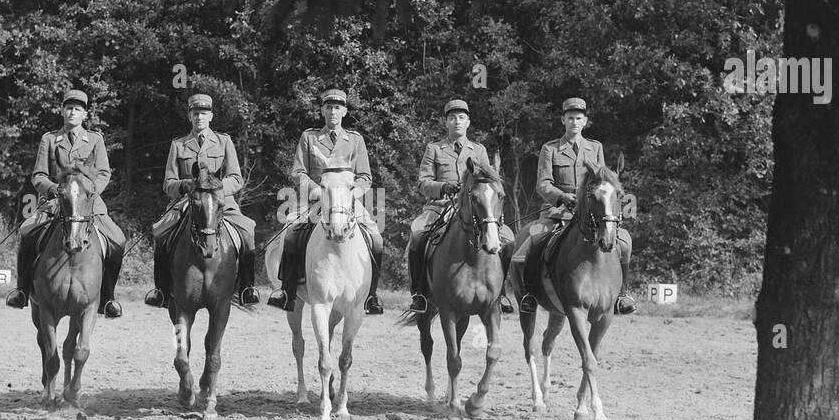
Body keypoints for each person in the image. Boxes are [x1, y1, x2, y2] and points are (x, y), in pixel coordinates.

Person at [509, 97, 636, 315]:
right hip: (559, 211)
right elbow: (543, 184)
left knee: (623, 242)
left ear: (585, 121)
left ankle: (622, 294)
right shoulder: (550, 149)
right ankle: (530, 293)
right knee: (536, 240)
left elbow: (602, 179)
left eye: (578, 118)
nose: (574, 122)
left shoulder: (595, 147)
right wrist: (562, 197)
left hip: (591, 212)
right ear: (563, 120)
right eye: (570, 118)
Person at [5, 88, 125, 317]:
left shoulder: (96, 140)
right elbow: (38, 175)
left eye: (77, 109)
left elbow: (104, 173)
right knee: (27, 231)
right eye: (68, 108)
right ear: (62, 111)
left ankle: (108, 298)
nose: (72, 112)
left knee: (118, 240)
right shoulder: (49, 139)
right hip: (55, 202)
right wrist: (56, 190)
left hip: (89, 204)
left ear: (84, 114)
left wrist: (89, 193)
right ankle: (21, 291)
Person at [267, 87, 385, 315]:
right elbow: (298, 172)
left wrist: (353, 193)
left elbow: (365, 176)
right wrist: (315, 190)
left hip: (347, 201)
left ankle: (371, 296)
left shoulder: (355, 140)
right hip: (316, 200)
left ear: (345, 111)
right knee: (291, 234)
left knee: (377, 239)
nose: (333, 111)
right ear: (322, 110)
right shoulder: (309, 137)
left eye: (338, 107)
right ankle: (287, 292)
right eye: (329, 107)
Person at [144, 92, 260, 307]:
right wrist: (184, 185)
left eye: (204, 113)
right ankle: (160, 289)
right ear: (190, 116)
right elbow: (168, 183)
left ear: (211, 116)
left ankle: (247, 287)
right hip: (188, 201)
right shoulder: (178, 145)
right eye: (195, 113)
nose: (199, 117)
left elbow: (236, 178)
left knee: (247, 230)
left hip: (219, 201)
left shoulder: (224, 142)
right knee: (160, 232)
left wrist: (216, 189)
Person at [407, 98, 515, 314]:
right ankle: (419, 292)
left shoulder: (479, 150)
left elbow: (491, 181)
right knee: (418, 235)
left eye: (461, 117)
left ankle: (500, 293)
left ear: (468, 122)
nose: (457, 121)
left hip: (475, 209)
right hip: (439, 207)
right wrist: (443, 187)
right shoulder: (434, 149)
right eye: (452, 118)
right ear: (446, 122)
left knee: (509, 238)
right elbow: (422, 183)